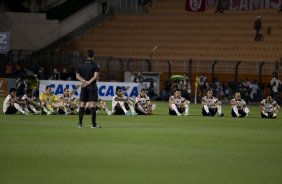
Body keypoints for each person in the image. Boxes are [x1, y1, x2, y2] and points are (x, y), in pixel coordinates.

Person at [76, 49, 101, 128]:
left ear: (87, 55)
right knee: (92, 104)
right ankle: (93, 124)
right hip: (92, 86)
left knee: (82, 104)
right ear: (93, 55)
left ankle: (80, 123)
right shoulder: (95, 65)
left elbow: (77, 76)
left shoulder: (81, 64)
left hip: (84, 86)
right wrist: (89, 82)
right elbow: (95, 76)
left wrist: (84, 81)